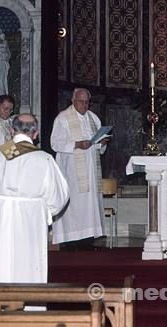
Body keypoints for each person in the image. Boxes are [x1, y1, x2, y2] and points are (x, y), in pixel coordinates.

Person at [0, 114, 68, 283]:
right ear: (36, 133)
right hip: (30, 218)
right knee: (27, 265)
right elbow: (58, 197)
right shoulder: (44, 159)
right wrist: (45, 211)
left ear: (12, 130)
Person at [51, 88, 109, 244]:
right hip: (71, 171)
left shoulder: (94, 118)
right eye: (81, 102)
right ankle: (70, 240)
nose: (84, 105)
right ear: (73, 100)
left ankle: (88, 238)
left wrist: (101, 143)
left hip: (90, 170)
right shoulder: (63, 118)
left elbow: (97, 146)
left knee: (89, 204)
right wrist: (76, 144)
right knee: (74, 205)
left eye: (86, 102)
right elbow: (55, 143)